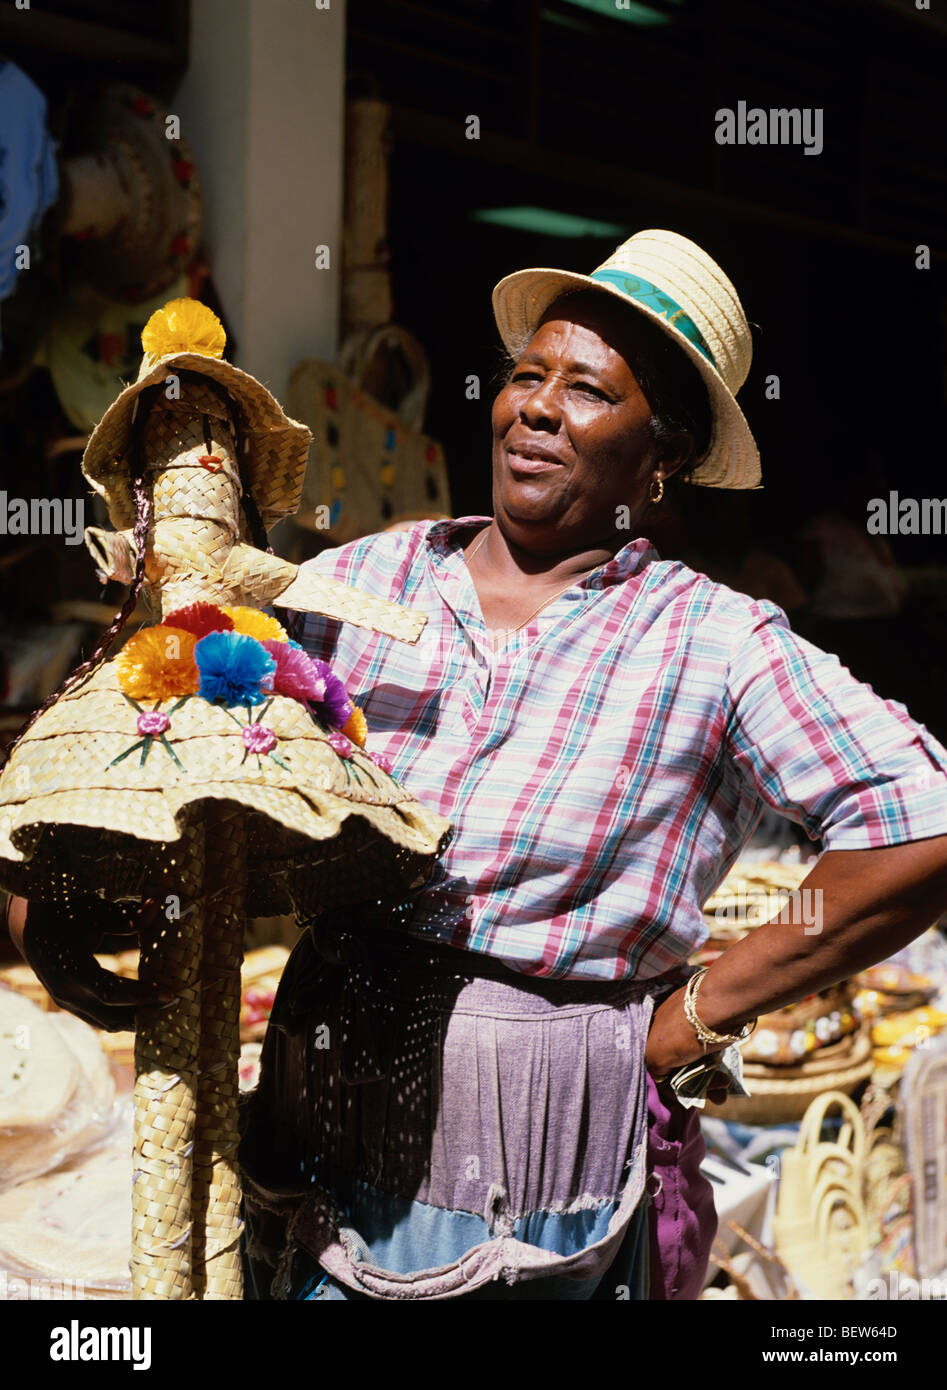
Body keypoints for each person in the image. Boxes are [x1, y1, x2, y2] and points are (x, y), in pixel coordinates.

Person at [8, 230, 947, 1301]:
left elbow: (918, 820)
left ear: (664, 453)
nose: (535, 407)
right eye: (525, 376)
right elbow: (204, 764)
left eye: (586, 389)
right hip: (315, 1093)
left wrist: (698, 1012)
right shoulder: (365, 580)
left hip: (534, 1152)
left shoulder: (712, 641)